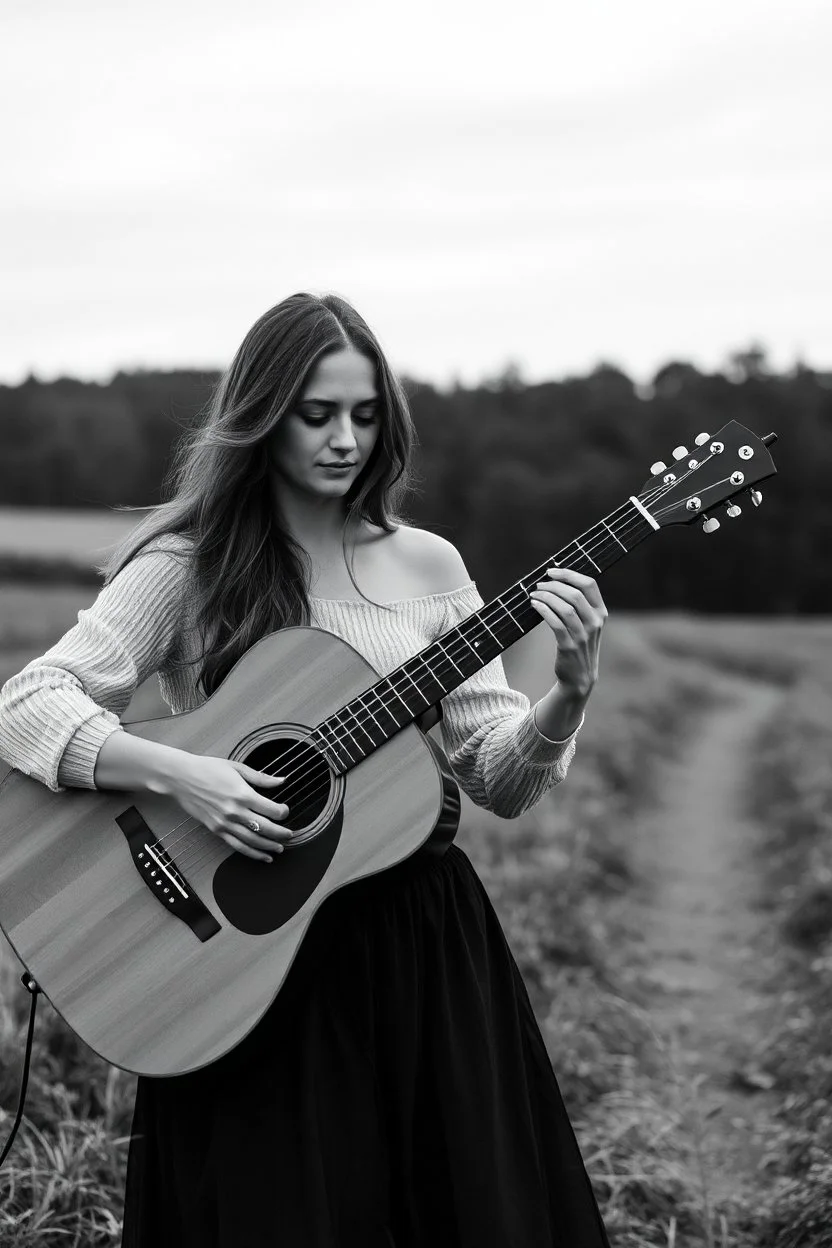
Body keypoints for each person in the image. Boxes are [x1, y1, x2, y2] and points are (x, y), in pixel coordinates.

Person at [0, 292, 610, 1247]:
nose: (345, 440)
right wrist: (181, 775)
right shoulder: (191, 562)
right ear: (262, 414)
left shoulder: (429, 567)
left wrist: (566, 697)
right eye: (316, 414)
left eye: (365, 415)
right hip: (235, 962)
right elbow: (28, 703)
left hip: (414, 952)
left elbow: (498, 780)